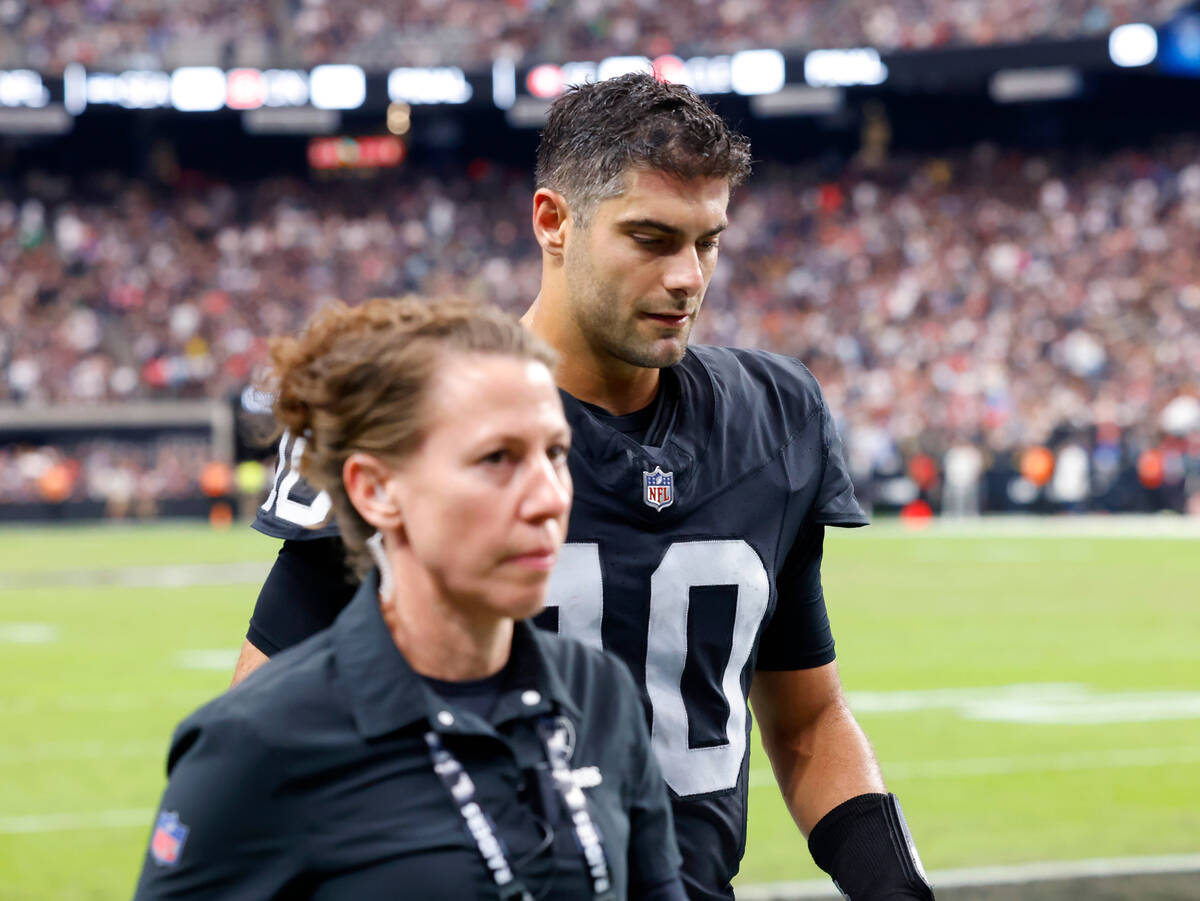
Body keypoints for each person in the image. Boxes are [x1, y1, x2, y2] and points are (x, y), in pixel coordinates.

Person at [239, 74, 934, 901]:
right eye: (651, 238)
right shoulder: (416, 416)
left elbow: (808, 717)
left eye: (707, 241)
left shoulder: (773, 418)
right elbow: (264, 735)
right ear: (553, 222)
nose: (688, 277)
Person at [135, 298, 686, 900]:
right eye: (496, 458)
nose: (550, 498)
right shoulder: (254, 743)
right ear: (375, 491)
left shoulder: (599, 694)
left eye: (555, 453)